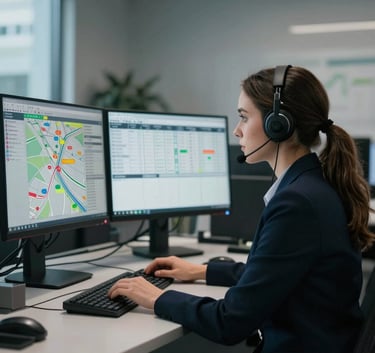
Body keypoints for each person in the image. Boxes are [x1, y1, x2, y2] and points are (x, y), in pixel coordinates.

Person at [108, 65, 375, 353]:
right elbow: (277, 273)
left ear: (278, 123)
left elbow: (230, 321)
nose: (237, 130)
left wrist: (157, 298)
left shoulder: (297, 203)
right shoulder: (313, 186)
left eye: (244, 118)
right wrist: (203, 271)